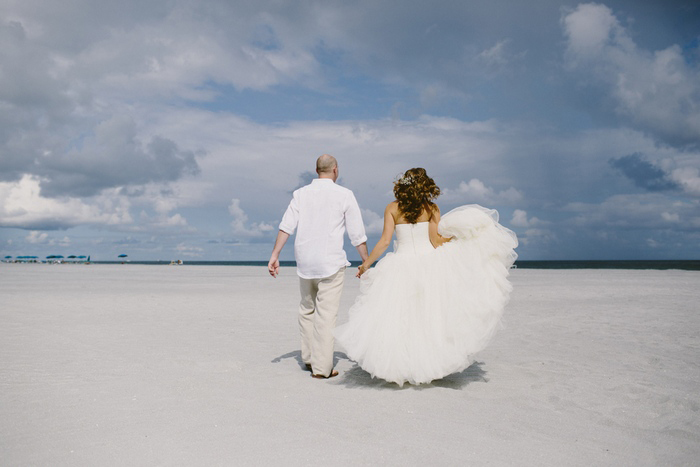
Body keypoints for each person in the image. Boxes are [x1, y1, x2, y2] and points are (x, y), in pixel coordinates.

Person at [334, 168, 518, 386]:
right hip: (430, 265)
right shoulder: (430, 208)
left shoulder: (392, 208)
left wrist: (366, 264)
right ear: (424, 185)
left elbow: (384, 241)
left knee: (400, 318)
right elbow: (435, 241)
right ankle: (425, 366)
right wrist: (459, 240)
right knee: (429, 318)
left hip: (399, 266)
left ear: (402, 184)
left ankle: (402, 367)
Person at [268, 154, 369, 379]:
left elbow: (286, 226)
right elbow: (356, 234)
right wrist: (366, 261)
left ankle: (309, 358)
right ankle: (322, 369)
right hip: (330, 263)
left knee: (306, 310)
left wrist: (275, 255)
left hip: (305, 262)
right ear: (335, 170)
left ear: (316, 170)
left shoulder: (300, 194)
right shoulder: (344, 195)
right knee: (326, 315)